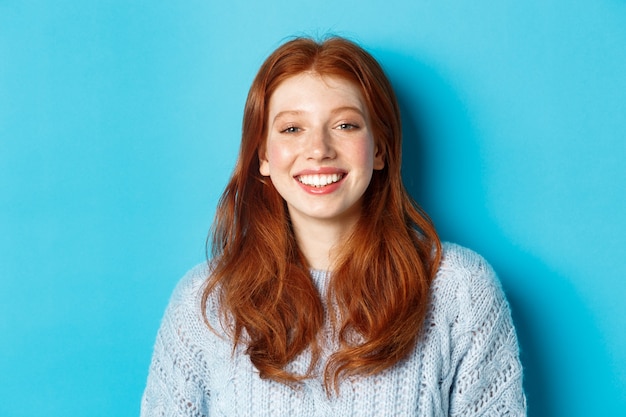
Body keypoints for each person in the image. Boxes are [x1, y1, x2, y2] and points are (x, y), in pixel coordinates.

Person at [140, 36, 526, 417]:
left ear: (379, 150)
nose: (319, 149)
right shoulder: (204, 303)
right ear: (263, 156)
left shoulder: (459, 290)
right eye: (292, 129)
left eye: (345, 125)